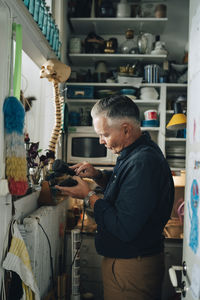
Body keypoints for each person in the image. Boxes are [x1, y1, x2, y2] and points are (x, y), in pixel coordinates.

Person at [56, 95, 174, 300]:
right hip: (127, 264)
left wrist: (89, 195)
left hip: (132, 268)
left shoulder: (143, 162)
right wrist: (98, 176)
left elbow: (123, 227)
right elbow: (126, 187)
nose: (101, 142)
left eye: (105, 135)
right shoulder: (134, 153)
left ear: (126, 129)